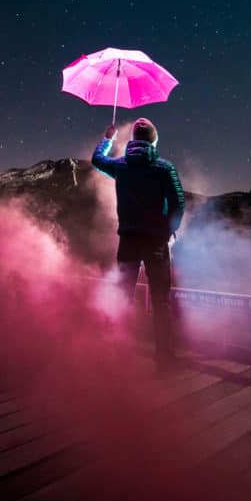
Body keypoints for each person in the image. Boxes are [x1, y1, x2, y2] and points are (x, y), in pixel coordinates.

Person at [92, 117, 186, 368]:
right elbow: (178, 204)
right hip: (156, 242)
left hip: (128, 241)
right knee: (160, 300)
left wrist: (107, 138)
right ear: (154, 140)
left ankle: (118, 352)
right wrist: (168, 230)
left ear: (133, 140)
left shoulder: (121, 165)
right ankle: (164, 357)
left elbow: (97, 160)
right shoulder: (165, 168)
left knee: (123, 295)